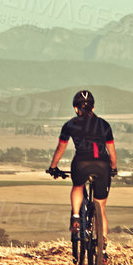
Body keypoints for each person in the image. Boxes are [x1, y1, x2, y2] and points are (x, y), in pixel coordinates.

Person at [48, 89, 116, 239]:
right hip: (102, 166)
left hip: (81, 164)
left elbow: (61, 148)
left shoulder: (70, 125)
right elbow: (112, 152)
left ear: (75, 108)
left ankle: (77, 217)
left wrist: (53, 167)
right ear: (93, 107)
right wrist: (113, 168)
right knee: (101, 209)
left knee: (78, 186)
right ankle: (102, 249)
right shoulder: (104, 124)